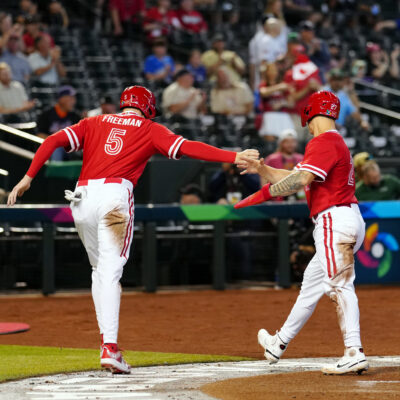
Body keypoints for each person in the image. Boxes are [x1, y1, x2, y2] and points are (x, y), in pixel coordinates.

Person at [8, 85, 259, 374]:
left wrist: (28, 178)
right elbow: (188, 147)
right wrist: (233, 156)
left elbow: (51, 140)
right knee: (110, 272)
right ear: (148, 107)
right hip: (114, 198)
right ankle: (110, 349)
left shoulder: (94, 121)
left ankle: (107, 345)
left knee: (100, 271)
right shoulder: (149, 128)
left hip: (81, 198)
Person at [235, 90, 369, 375]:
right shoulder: (331, 142)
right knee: (311, 284)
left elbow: (301, 181)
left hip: (334, 219)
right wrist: (262, 169)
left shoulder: (324, 141)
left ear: (310, 114)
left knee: (340, 285)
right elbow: (296, 177)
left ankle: (354, 350)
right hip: (346, 218)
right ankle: (278, 343)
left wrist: (263, 195)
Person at [36, 85, 80, 160]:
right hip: (52, 148)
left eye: (74, 99)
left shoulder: (75, 116)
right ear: (61, 99)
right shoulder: (47, 114)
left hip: (70, 148)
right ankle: (56, 171)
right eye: (71, 98)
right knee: (57, 148)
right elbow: (40, 135)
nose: (74, 101)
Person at [258, 62, 294, 140]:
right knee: (270, 140)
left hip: (283, 116)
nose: (273, 72)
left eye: (274, 70)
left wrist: (282, 103)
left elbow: (291, 103)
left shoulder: (284, 86)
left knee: (287, 140)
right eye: (270, 70)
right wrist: (279, 87)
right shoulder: (264, 84)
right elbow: (263, 93)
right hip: (269, 116)